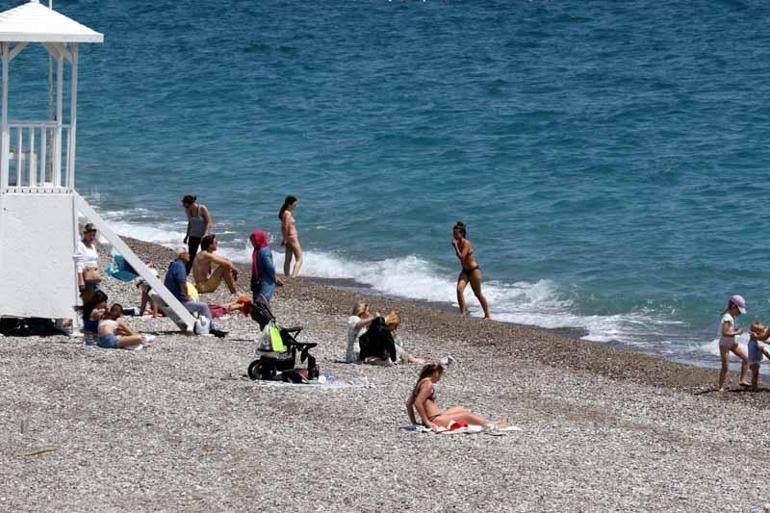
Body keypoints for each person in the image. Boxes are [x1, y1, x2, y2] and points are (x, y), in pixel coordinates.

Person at [406, 363, 505, 430]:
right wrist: (427, 422)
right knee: (467, 416)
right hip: (435, 420)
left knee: (461, 409)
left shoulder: (420, 383)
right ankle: (491, 425)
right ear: (436, 373)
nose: (440, 378)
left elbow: (408, 403)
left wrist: (415, 423)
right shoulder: (428, 384)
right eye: (440, 375)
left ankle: (488, 423)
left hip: (436, 417)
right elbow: (417, 403)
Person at [163, 246, 227, 338]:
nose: (189, 255)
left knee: (198, 304)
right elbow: (183, 284)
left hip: (173, 298)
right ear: (181, 255)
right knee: (203, 306)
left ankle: (204, 326)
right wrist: (187, 296)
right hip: (179, 301)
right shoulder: (180, 266)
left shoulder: (174, 265)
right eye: (187, 253)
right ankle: (209, 328)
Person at [452, 221, 490, 319]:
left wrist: (455, 246)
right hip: (465, 271)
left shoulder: (466, 243)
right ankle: (463, 313)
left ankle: (487, 315)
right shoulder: (458, 243)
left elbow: (462, 257)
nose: (454, 236)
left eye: (456, 234)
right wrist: (456, 245)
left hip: (474, 271)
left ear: (462, 234)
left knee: (477, 293)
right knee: (459, 289)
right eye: (453, 233)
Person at [718, 294, 751, 391]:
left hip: (732, 343)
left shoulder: (731, 317)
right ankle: (720, 386)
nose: (740, 313)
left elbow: (729, 330)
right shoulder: (727, 317)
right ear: (733, 307)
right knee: (725, 366)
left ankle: (742, 379)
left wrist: (734, 330)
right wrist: (737, 332)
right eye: (739, 310)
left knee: (746, 358)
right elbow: (724, 332)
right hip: (724, 344)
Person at [250, 229, 283, 305]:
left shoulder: (263, 251)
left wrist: (274, 276)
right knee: (261, 299)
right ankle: (261, 312)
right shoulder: (258, 250)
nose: (252, 242)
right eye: (252, 240)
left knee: (262, 299)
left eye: (254, 240)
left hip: (266, 278)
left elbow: (269, 266)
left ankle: (262, 312)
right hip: (259, 278)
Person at [182, 195, 212, 273]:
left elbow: (209, 222)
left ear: (192, 203)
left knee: (206, 257)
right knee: (190, 257)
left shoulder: (202, 208)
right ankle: (185, 275)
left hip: (204, 237)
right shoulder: (187, 211)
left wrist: (205, 234)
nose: (186, 208)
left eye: (187, 206)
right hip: (193, 235)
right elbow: (190, 224)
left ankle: (208, 275)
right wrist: (186, 236)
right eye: (185, 207)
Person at [73, 223, 101, 296]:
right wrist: (81, 281)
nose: (92, 237)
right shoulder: (81, 245)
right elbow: (79, 263)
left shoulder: (92, 246)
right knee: (90, 301)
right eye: (90, 235)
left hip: (95, 277)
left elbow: (95, 261)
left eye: (93, 235)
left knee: (98, 300)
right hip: (87, 279)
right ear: (85, 234)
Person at [279, 195, 303, 278]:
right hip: (292, 238)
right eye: (294, 204)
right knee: (299, 259)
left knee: (288, 258)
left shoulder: (285, 213)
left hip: (288, 237)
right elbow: (284, 227)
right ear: (290, 204)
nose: (296, 205)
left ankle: (287, 276)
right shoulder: (287, 213)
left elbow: (283, 227)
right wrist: (285, 238)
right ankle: (293, 276)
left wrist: (285, 238)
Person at [748, 321, 770, 391]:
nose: (763, 333)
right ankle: (754, 387)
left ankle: (754, 386)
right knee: (755, 375)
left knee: (755, 374)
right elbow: (764, 351)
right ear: (756, 332)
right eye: (762, 332)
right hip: (754, 361)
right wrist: (769, 357)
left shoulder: (753, 340)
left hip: (753, 360)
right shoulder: (755, 340)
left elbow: (763, 339)